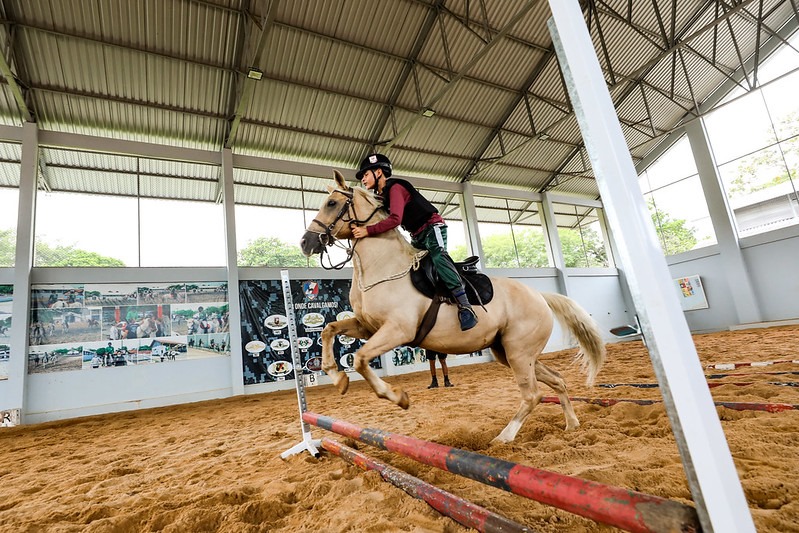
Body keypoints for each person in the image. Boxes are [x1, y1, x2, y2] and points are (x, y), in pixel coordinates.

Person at [350, 153, 478, 331]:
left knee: (439, 257)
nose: (363, 179)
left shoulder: (395, 187)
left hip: (433, 228)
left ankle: (466, 307)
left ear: (378, 172)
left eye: (365, 174)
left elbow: (395, 219)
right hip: (416, 235)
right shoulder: (380, 196)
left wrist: (367, 231)